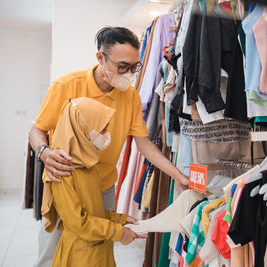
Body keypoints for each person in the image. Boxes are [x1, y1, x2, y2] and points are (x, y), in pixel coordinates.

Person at [29, 26, 189, 267]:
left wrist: (177, 175)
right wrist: (45, 152)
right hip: (66, 182)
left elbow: (143, 143)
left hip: (103, 186)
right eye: (122, 66)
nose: (129, 73)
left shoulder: (131, 96)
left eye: (135, 67)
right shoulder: (66, 86)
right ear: (100, 58)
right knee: (52, 255)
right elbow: (37, 129)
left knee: (96, 253)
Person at [46, 97, 136, 266]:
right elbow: (79, 223)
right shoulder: (63, 173)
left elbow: (94, 211)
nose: (107, 134)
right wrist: (119, 232)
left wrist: (120, 219)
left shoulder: (88, 166)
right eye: (102, 129)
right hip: (80, 257)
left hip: (100, 252)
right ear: (82, 130)